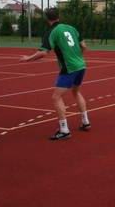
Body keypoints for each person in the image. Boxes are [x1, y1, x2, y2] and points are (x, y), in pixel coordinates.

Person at [19, 8, 90, 140]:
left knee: (56, 98)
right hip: (81, 65)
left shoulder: (52, 32)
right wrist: (78, 57)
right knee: (76, 92)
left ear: (47, 19)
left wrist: (28, 58)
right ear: (59, 16)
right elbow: (84, 46)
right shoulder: (71, 28)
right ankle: (85, 121)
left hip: (69, 67)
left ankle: (64, 130)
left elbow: (43, 52)